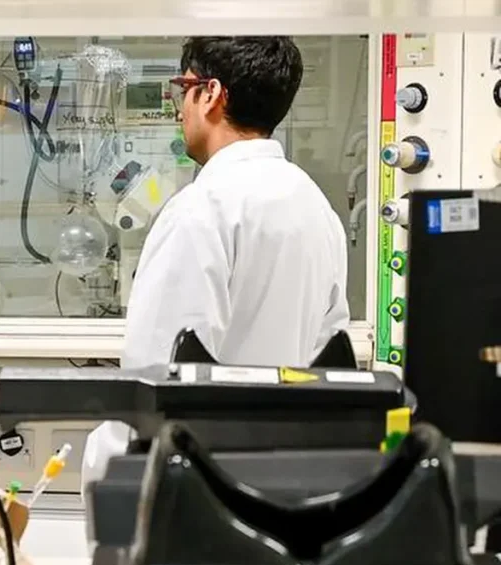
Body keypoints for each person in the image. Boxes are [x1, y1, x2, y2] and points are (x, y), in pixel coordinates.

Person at [82, 37, 350, 494]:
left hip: (197, 486)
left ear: (211, 93)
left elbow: (156, 380)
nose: (177, 108)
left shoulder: (201, 209)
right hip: (281, 483)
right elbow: (329, 355)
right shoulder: (314, 206)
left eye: (181, 88)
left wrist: (100, 469)